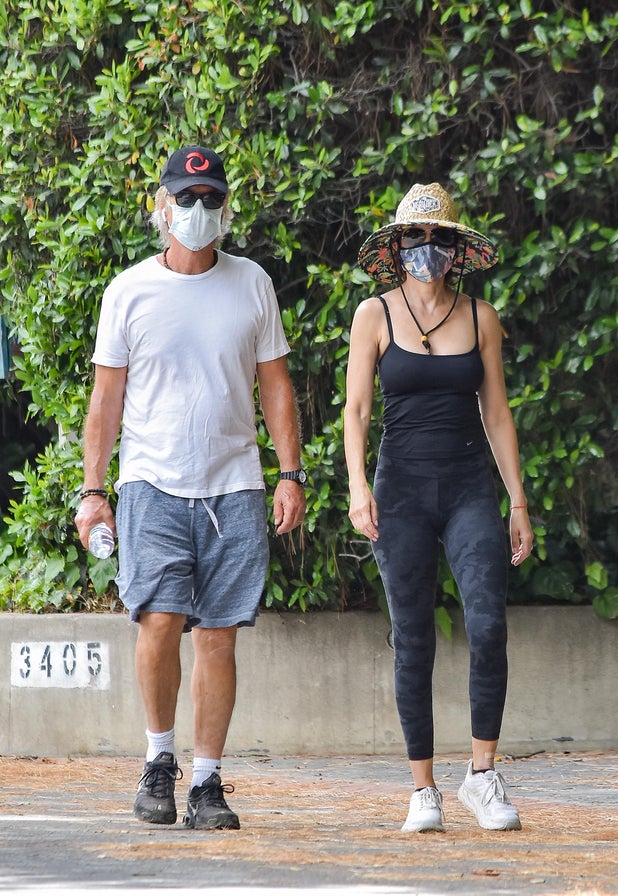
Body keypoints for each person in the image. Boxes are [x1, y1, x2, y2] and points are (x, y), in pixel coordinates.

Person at [75, 145, 307, 831]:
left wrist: (289, 474)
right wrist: (92, 491)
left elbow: (276, 385)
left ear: (226, 208)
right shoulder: (129, 292)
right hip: (152, 482)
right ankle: (158, 761)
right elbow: (105, 401)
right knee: (159, 622)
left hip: (234, 484)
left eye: (210, 199)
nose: (198, 211)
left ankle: (207, 781)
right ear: (161, 206)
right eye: (186, 198)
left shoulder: (252, 284)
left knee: (218, 638)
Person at [344, 183, 533, 833]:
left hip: (468, 488)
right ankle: (423, 788)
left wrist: (517, 499)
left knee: (487, 622)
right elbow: (357, 410)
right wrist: (355, 486)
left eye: (441, 238)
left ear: (458, 249)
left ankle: (482, 776)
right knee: (414, 640)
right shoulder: (374, 315)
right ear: (396, 248)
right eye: (417, 238)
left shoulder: (481, 317)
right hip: (400, 492)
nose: (429, 248)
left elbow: (498, 413)